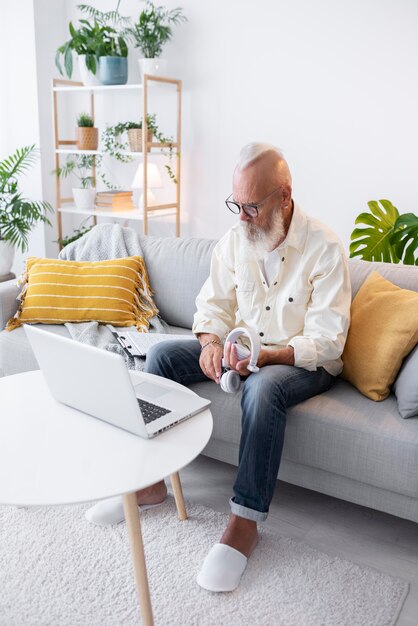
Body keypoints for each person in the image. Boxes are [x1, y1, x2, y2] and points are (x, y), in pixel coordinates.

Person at [85, 142, 351, 592]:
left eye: (251, 207)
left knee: (262, 388)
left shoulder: (323, 248)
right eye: (236, 204)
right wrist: (209, 343)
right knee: (163, 355)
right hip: (241, 350)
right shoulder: (235, 241)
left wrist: (264, 357)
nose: (241, 217)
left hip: (302, 361)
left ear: (284, 197)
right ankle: (150, 485)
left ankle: (244, 523)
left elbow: (328, 341)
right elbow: (211, 308)